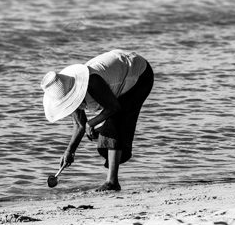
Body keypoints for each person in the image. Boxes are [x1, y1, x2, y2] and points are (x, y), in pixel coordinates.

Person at [40, 49, 154, 191]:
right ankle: (111, 177)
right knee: (109, 127)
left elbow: (114, 108)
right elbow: (79, 125)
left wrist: (92, 123)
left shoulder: (92, 82)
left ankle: (112, 182)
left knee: (115, 123)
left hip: (139, 76)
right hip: (120, 78)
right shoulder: (69, 93)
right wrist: (70, 151)